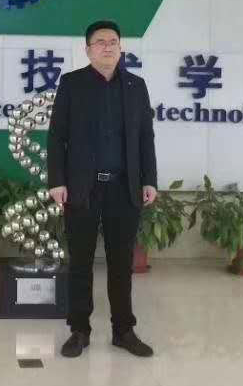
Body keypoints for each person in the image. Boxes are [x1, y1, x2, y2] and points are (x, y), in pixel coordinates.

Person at [47, 20, 158, 358]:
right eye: (100, 42)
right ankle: (79, 330)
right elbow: (57, 136)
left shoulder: (136, 86)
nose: (107, 46)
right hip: (82, 187)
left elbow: (145, 137)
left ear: (121, 48)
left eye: (113, 41)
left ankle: (123, 331)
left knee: (121, 263)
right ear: (88, 50)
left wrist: (149, 179)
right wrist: (56, 181)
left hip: (124, 187)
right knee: (80, 262)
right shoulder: (72, 84)